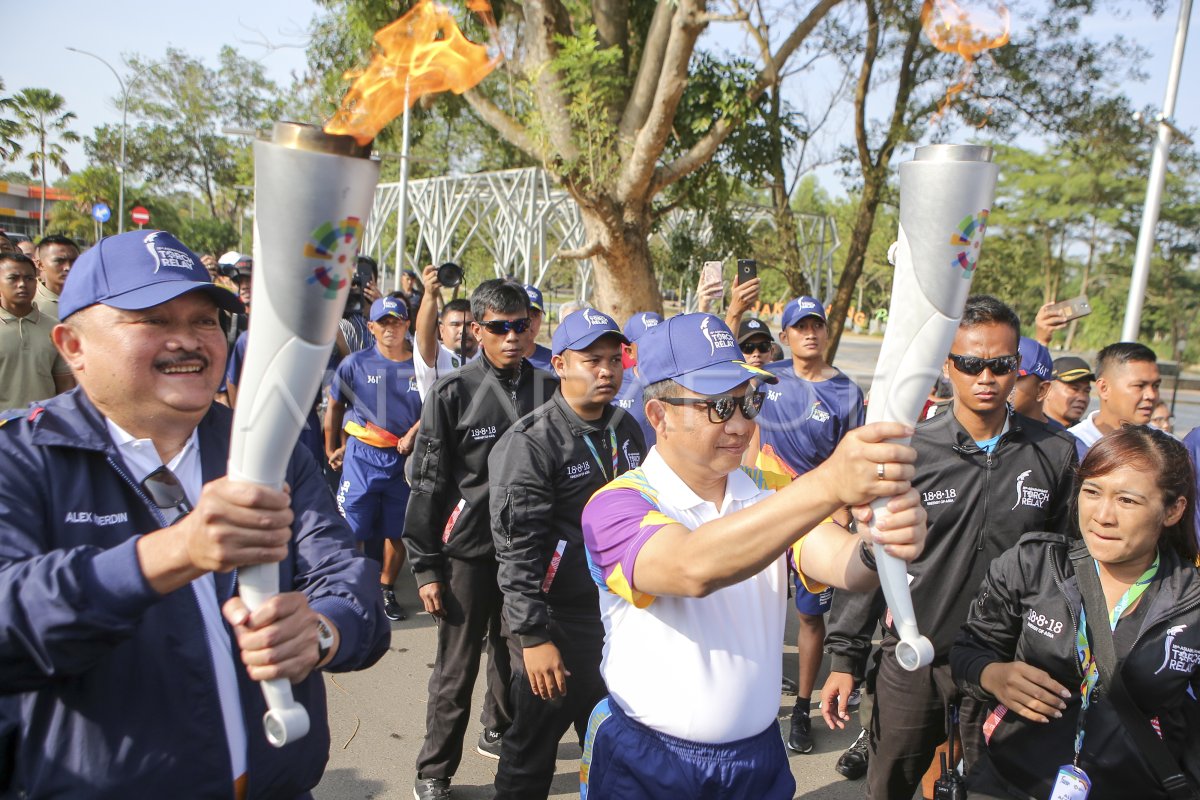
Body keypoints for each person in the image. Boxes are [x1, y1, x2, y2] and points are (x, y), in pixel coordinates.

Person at [0, 229, 389, 797]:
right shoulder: (21, 462)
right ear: (72, 346)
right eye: (153, 320)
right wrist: (172, 554)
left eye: (204, 320)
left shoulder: (265, 449)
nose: (188, 341)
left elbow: (342, 572)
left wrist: (322, 631)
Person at [576, 312, 928, 800]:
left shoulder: (770, 487)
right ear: (659, 415)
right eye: (719, 406)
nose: (742, 424)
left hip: (756, 760)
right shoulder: (617, 504)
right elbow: (690, 566)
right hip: (647, 760)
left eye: (750, 402)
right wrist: (829, 483)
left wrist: (883, 542)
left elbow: (842, 562)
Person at [821, 295, 1079, 799]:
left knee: (994, 790)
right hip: (918, 658)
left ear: (1017, 367)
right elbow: (873, 555)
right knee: (888, 786)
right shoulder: (908, 449)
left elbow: (1068, 564)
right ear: (947, 365)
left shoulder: (1055, 452)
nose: (986, 377)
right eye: (971, 364)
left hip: (1005, 665)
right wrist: (844, 658)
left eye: (1001, 365)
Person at [951, 426, 1200, 800]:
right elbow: (968, 649)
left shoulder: (1192, 600)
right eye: (1092, 492)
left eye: (1127, 501)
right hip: (1009, 782)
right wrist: (992, 674)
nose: (1103, 516)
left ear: (1173, 509)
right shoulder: (1033, 564)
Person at [405, 279, 560, 800]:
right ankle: (434, 772)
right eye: (499, 327)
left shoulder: (549, 390)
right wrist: (425, 566)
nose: (513, 336)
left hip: (527, 556)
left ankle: (511, 753)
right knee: (456, 668)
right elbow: (427, 483)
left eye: (521, 325)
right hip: (465, 557)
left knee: (523, 662)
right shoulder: (453, 393)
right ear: (476, 330)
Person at [489, 308, 645, 800]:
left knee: (612, 748)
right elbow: (517, 553)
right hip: (557, 623)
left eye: (614, 360)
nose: (606, 371)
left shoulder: (628, 429)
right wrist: (533, 638)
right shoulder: (532, 442)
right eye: (591, 360)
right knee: (530, 754)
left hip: (619, 617)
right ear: (559, 364)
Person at [751, 295, 865, 755]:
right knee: (757, 607)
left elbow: (854, 459)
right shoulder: (766, 378)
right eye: (800, 327)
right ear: (786, 338)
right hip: (766, 510)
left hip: (817, 522)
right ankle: (755, 702)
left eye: (817, 325)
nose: (810, 333)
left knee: (808, 617)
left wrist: (844, 510)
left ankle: (801, 707)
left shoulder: (847, 393)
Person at [325, 296, 422, 623]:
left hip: (403, 461)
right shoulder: (354, 363)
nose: (391, 328)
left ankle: (385, 588)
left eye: (397, 322)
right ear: (371, 327)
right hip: (362, 459)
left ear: (407, 325)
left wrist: (413, 434)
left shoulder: (422, 367)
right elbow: (335, 407)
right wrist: (331, 447)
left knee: (398, 531)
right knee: (354, 529)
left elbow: (436, 407)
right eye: (383, 323)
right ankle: (354, 589)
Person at [0, 252, 74, 410]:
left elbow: (65, 384)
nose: (22, 284)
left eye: (29, 278)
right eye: (13, 278)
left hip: (43, 426)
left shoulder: (54, 328)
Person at [1068, 342, 1161, 459]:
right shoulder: (1069, 447)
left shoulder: (1167, 448)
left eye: (1156, 386)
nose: (1151, 395)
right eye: (1139, 386)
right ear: (1104, 388)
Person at [412, 264, 479, 399]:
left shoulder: (490, 357)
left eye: (468, 324)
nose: (462, 331)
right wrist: (430, 294)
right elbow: (423, 335)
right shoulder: (437, 357)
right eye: (455, 324)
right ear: (441, 330)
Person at [612, 311, 661, 448]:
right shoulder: (614, 385)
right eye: (647, 345)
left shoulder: (681, 384)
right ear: (629, 352)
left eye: (660, 342)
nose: (655, 350)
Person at [1009, 336, 1059, 429]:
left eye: (1012, 380)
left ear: (1042, 390)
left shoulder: (1063, 442)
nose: (1000, 385)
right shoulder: (980, 431)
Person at [32, 233, 79, 319]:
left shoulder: (89, 299)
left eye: (73, 261)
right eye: (59, 261)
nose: (68, 267)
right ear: (40, 264)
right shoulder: (30, 303)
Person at [1044, 356, 1094, 429]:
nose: (1082, 398)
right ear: (1047, 390)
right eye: (1074, 389)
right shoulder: (1027, 431)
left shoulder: (1085, 437)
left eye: (1087, 391)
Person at [523, 284, 553, 372]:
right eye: (524, 314)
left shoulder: (553, 363)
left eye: (535, 315)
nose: (530, 321)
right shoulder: (492, 359)